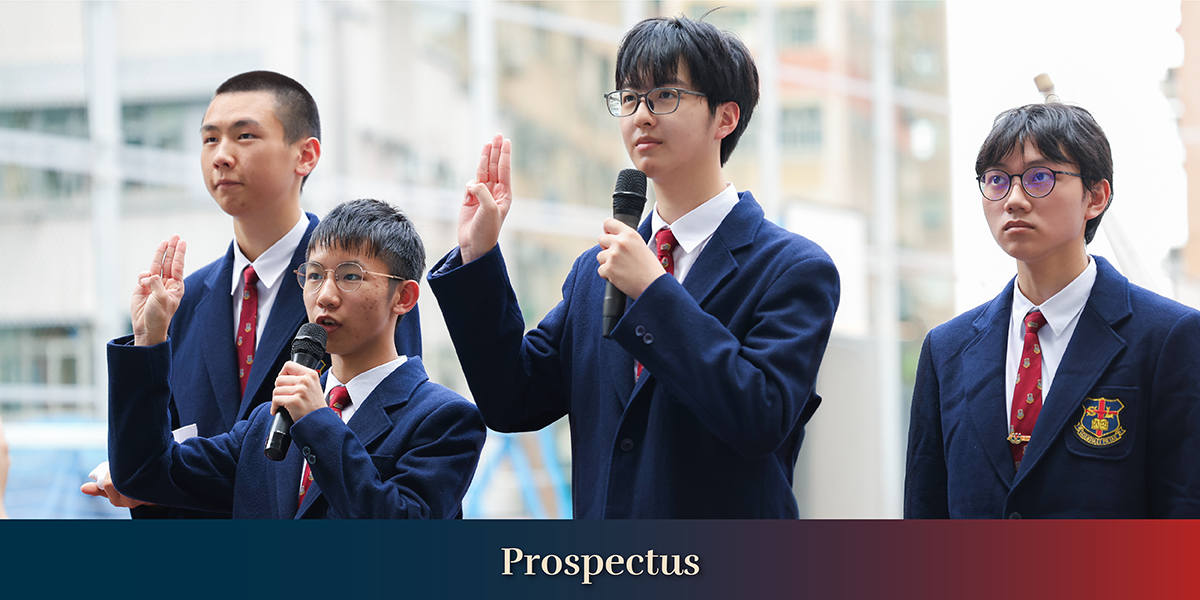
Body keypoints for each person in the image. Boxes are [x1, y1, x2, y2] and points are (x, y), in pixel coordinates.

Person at [428, 16, 840, 518]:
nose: (641, 115)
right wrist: (478, 256)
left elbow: (761, 416)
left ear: (725, 117)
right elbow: (513, 398)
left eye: (665, 95)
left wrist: (654, 291)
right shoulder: (596, 270)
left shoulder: (792, 269)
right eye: (629, 98)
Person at [82, 71, 422, 516]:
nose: (221, 156)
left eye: (244, 136)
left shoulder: (368, 286)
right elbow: (155, 461)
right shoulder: (181, 301)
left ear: (305, 155)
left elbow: (389, 425)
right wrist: (147, 344)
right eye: (209, 139)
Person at [904, 103, 1200, 518]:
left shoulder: (1168, 337)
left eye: (1039, 177)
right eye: (997, 180)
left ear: (1095, 196)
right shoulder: (945, 349)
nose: (1014, 200)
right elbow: (925, 510)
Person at [106, 199, 485, 518]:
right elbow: (144, 473)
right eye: (314, 275)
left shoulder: (445, 419)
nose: (325, 296)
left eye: (350, 276)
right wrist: (148, 340)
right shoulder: (267, 422)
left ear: (403, 297)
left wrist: (318, 423)